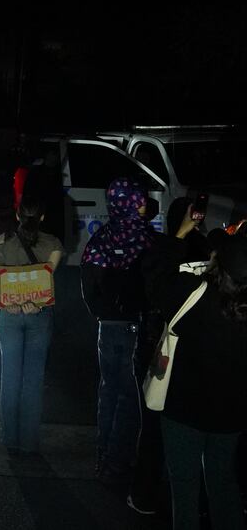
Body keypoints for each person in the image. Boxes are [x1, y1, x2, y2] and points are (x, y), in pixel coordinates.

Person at [141, 207, 247, 529]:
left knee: (184, 489)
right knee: (224, 484)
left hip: (183, 412)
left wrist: (178, 236)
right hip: (232, 415)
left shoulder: (193, 294)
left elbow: (154, 276)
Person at [80, 177, 153, 483]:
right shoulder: (147, 241)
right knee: (130, 396)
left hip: (106, 328)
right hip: (135, 327)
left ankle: (103, 456)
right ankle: (119, 461)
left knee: (109, 390)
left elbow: (88, 289)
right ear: (133, 203)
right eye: (141, 200)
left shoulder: (99, 241)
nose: (144, 205)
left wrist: (102, 314)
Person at [0, 194, 63, 454]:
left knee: (10, 377)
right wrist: (34, 303)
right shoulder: (53, 244)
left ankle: (10, 440)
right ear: (42, 217)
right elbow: (45, 280)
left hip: (8, 315)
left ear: (17, 216)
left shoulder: (3, 241)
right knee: (33, 379)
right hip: (39, 315)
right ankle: (30, 442)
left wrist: (10, 302)